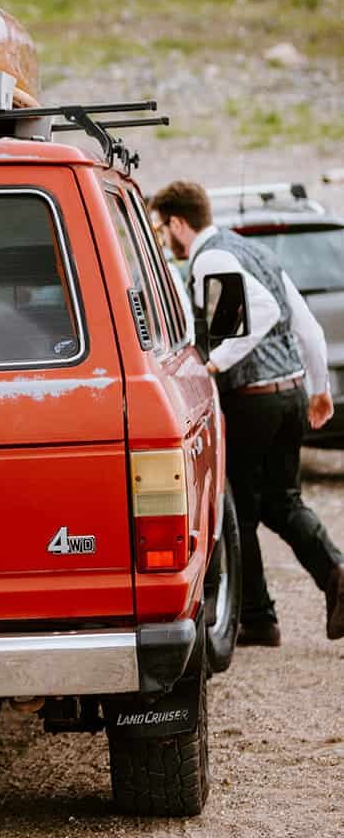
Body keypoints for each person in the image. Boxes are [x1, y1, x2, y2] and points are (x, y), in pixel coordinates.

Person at [150, 179, 344, 647]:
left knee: (238, 508)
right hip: (289, 392)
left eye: (162, 227)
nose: (164, 239)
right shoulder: (254, 252)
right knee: (282, 500)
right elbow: (307, 326)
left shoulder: (211, 259)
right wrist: (318, 389)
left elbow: (258, 309)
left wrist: (214, 362)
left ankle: (259, 617)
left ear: (179, 222)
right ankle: (333, 577)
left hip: (253, 399)